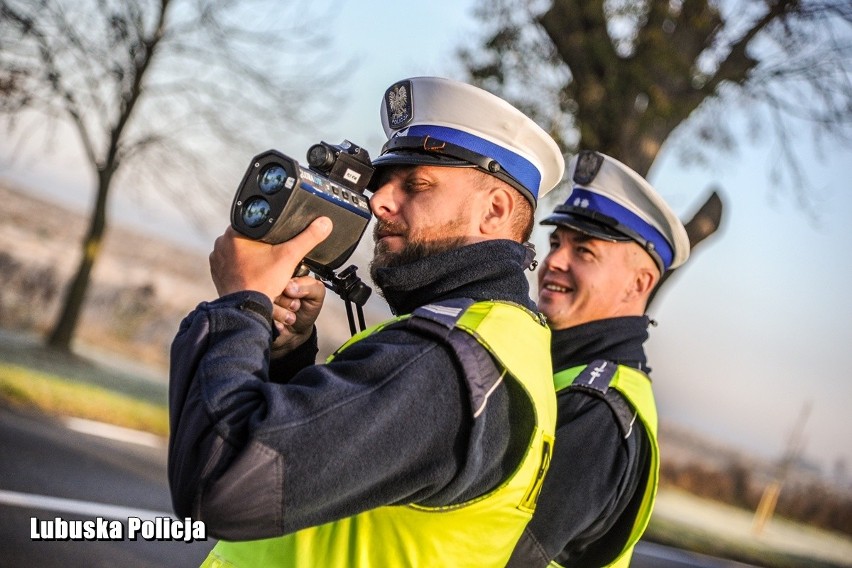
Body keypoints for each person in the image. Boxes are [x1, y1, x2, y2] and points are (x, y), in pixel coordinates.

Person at [167, 76, 565, 567]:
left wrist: (241, 304)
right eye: (382, 183)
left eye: (416, 184)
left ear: (495, 210)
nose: (379, 202)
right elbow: (336, 470)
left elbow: (223, 484)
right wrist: (288, 353)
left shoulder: (445, 362)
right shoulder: (493, 341)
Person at [506, 150, 690, 568]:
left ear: (638, 283)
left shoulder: (598, 412)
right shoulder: (562, 368)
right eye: (556, 242)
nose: (553, 260)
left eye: (584, 251)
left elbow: (502, 555)